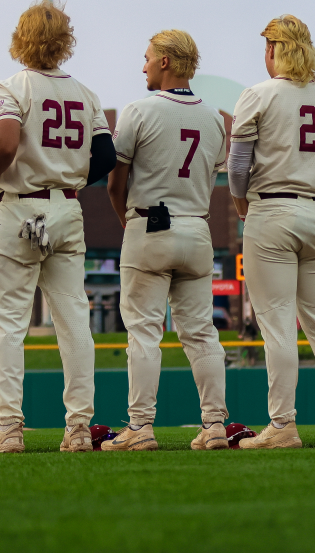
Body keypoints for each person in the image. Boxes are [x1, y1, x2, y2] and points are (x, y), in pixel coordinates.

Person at [0, 1, 116, 454]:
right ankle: (79, 428)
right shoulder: (85, 93)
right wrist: (68, 179)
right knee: (74, 320)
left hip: (24, 209)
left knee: (7, 323)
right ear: (65, 41)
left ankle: (8, 426)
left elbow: (6, 140)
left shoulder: (11, 86)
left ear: (21, 38)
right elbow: (106, 157)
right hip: (66, 209)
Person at [227, 15, 315, 449]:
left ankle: (283, 425)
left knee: (278, 325)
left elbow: (237, 167)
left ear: (273, 49)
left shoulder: (259, 94)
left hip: (273, 210)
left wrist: (241, 204)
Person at [104, 29, 229, 451]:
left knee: (144, 333)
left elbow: (115, 184)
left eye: (147, 58)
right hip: (197, 226)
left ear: (165, 62)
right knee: (202, 333)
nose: (142, 66)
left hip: (149, 224)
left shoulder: (138, 110)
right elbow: (212, 174)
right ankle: (215, 425)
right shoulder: (214, 117)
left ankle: (140, 426)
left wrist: (128, 224)